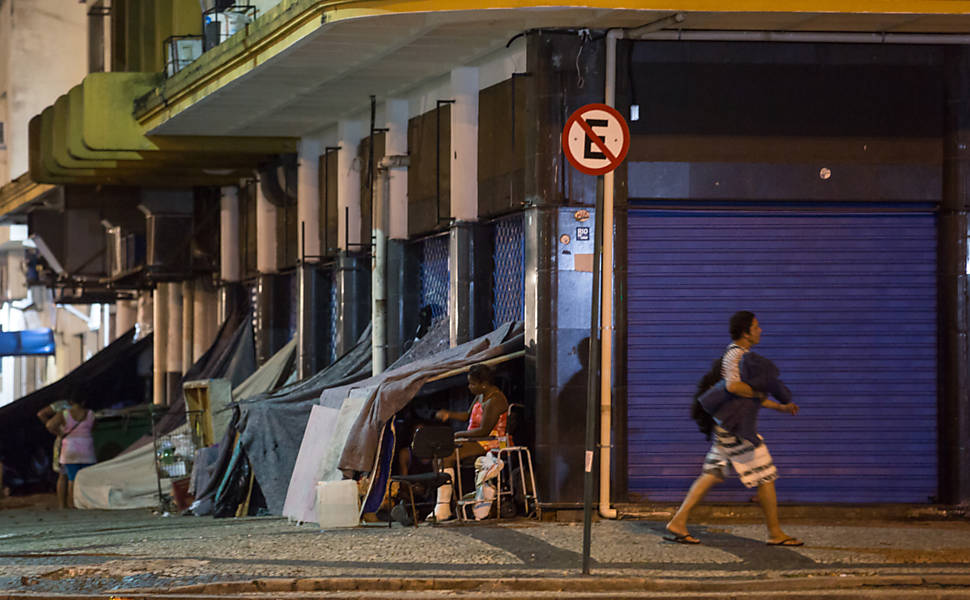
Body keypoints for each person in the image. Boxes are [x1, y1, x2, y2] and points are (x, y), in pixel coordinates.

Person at [665, 311, 803, 547]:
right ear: (746, 332)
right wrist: (760, 393)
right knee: (766, 475)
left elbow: (745, 398)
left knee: (712, 473)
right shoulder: (735, 355)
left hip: (728, 427)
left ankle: (678, 521)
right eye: (757, 327)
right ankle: (774, 532)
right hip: (737, 430)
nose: (760, 331)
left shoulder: (743, 356)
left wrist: (779, 407)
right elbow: (733, 387)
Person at [429, 363, 509, 522]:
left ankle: (443, 508)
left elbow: (484, 431)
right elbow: (467, 416)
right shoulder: (480, 395)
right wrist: (449, 414)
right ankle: (443, 505)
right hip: (474, 438)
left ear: (484, 384)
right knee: (439, 454)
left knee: (446, 456)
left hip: (491, 441)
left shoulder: (496, 400)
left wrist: (458, 434)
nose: (469, 386)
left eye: (472, 383)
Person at [42, 397, 96, 509]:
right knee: (86, 477)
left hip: (70, 449)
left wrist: (60, 433)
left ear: (71, 401)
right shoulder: (91, 414)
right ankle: (84, 503)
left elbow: (49, 425)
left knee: (71, 478)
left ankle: (71, 504)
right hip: (87, 448)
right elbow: (93, 427)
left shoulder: (64, 413)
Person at [37, 399, 70, 509]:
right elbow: (42, 415)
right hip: (69, 442)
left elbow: (42, 415)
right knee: (66, 473)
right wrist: (58, 432)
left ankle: (63, 504)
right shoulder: (65, 406)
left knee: (64, 473)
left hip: (65, 441)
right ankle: (66, 503)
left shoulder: (63, 406)